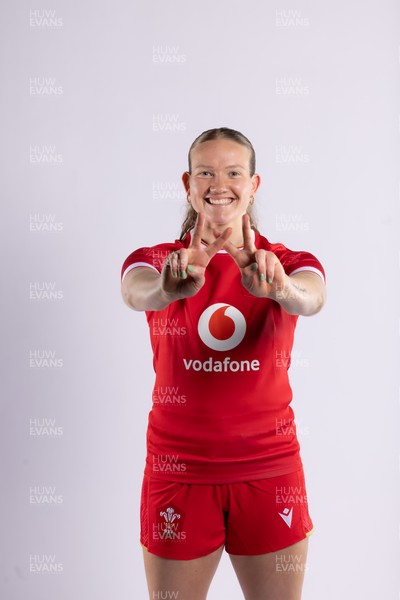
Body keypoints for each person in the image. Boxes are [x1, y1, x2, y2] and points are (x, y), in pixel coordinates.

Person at [120, 127, 326, 600]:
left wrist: (280, 290)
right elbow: (135, 292)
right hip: (179, 471)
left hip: (269, 471)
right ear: (187, 184)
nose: (219, 183)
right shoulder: (157, 261)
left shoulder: (285, 262)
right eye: (205, 172)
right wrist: (167, 290)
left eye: (234, 172)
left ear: (254, 185)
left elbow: (312, 299)